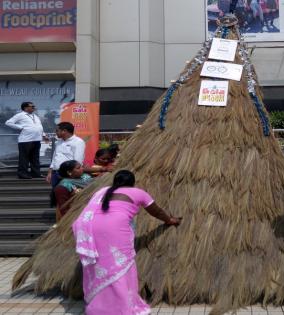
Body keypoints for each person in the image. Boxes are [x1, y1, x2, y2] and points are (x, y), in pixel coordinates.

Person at [72, 170, 181, 315]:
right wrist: (170, 220)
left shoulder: (102, 191)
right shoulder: (137, 192)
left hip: (89, 228)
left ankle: (99, 307)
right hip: (115, 229)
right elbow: (156, 211)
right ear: (132, 182)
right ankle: (121, 307)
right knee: (120, 266)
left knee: (100, 264)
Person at [5, 102, 48, 179]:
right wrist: (20, 127)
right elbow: (8, 123)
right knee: (24, 158)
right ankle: (22, 174)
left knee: (35, 158)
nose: (34, 107)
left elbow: (39, 127)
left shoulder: (35, 116)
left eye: (33, 106)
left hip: (37, 139)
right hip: (25, 140)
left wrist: (44, 135)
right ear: (25, 108)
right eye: (32, 106)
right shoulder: (20, 115)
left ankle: (35, 173)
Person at [47, 122, 85, 187]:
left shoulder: (78, 142)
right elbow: (54, 158)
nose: (56, 132)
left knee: (66, 194)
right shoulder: (58, 142)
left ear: (64, 131)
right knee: (56, 194)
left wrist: (71, 175)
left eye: (57, 131)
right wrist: (50, 172)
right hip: (55, 173)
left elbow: (78, 161)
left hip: (68, 175)